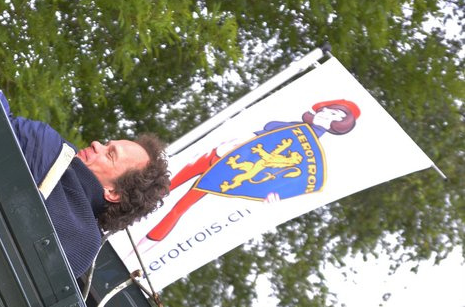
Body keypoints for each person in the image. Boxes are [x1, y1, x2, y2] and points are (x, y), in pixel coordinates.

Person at [0, 92, 170, 277]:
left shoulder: (48, 148)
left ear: (114, 193)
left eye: (110, 154)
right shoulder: (84, 251)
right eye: (106, 144)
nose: (96, 144)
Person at [143, 99, 360, 242]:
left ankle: (142, 247)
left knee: (180, 206)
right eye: (327, 110)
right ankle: (132, 216)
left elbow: (285, 178)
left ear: (338, 125)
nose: (326, 114)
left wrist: (272, 194)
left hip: (228, 172)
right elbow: (260, 135)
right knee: (165, 185)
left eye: (334, 115)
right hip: (220, 154)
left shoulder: (308, 150)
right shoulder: (295, 127)